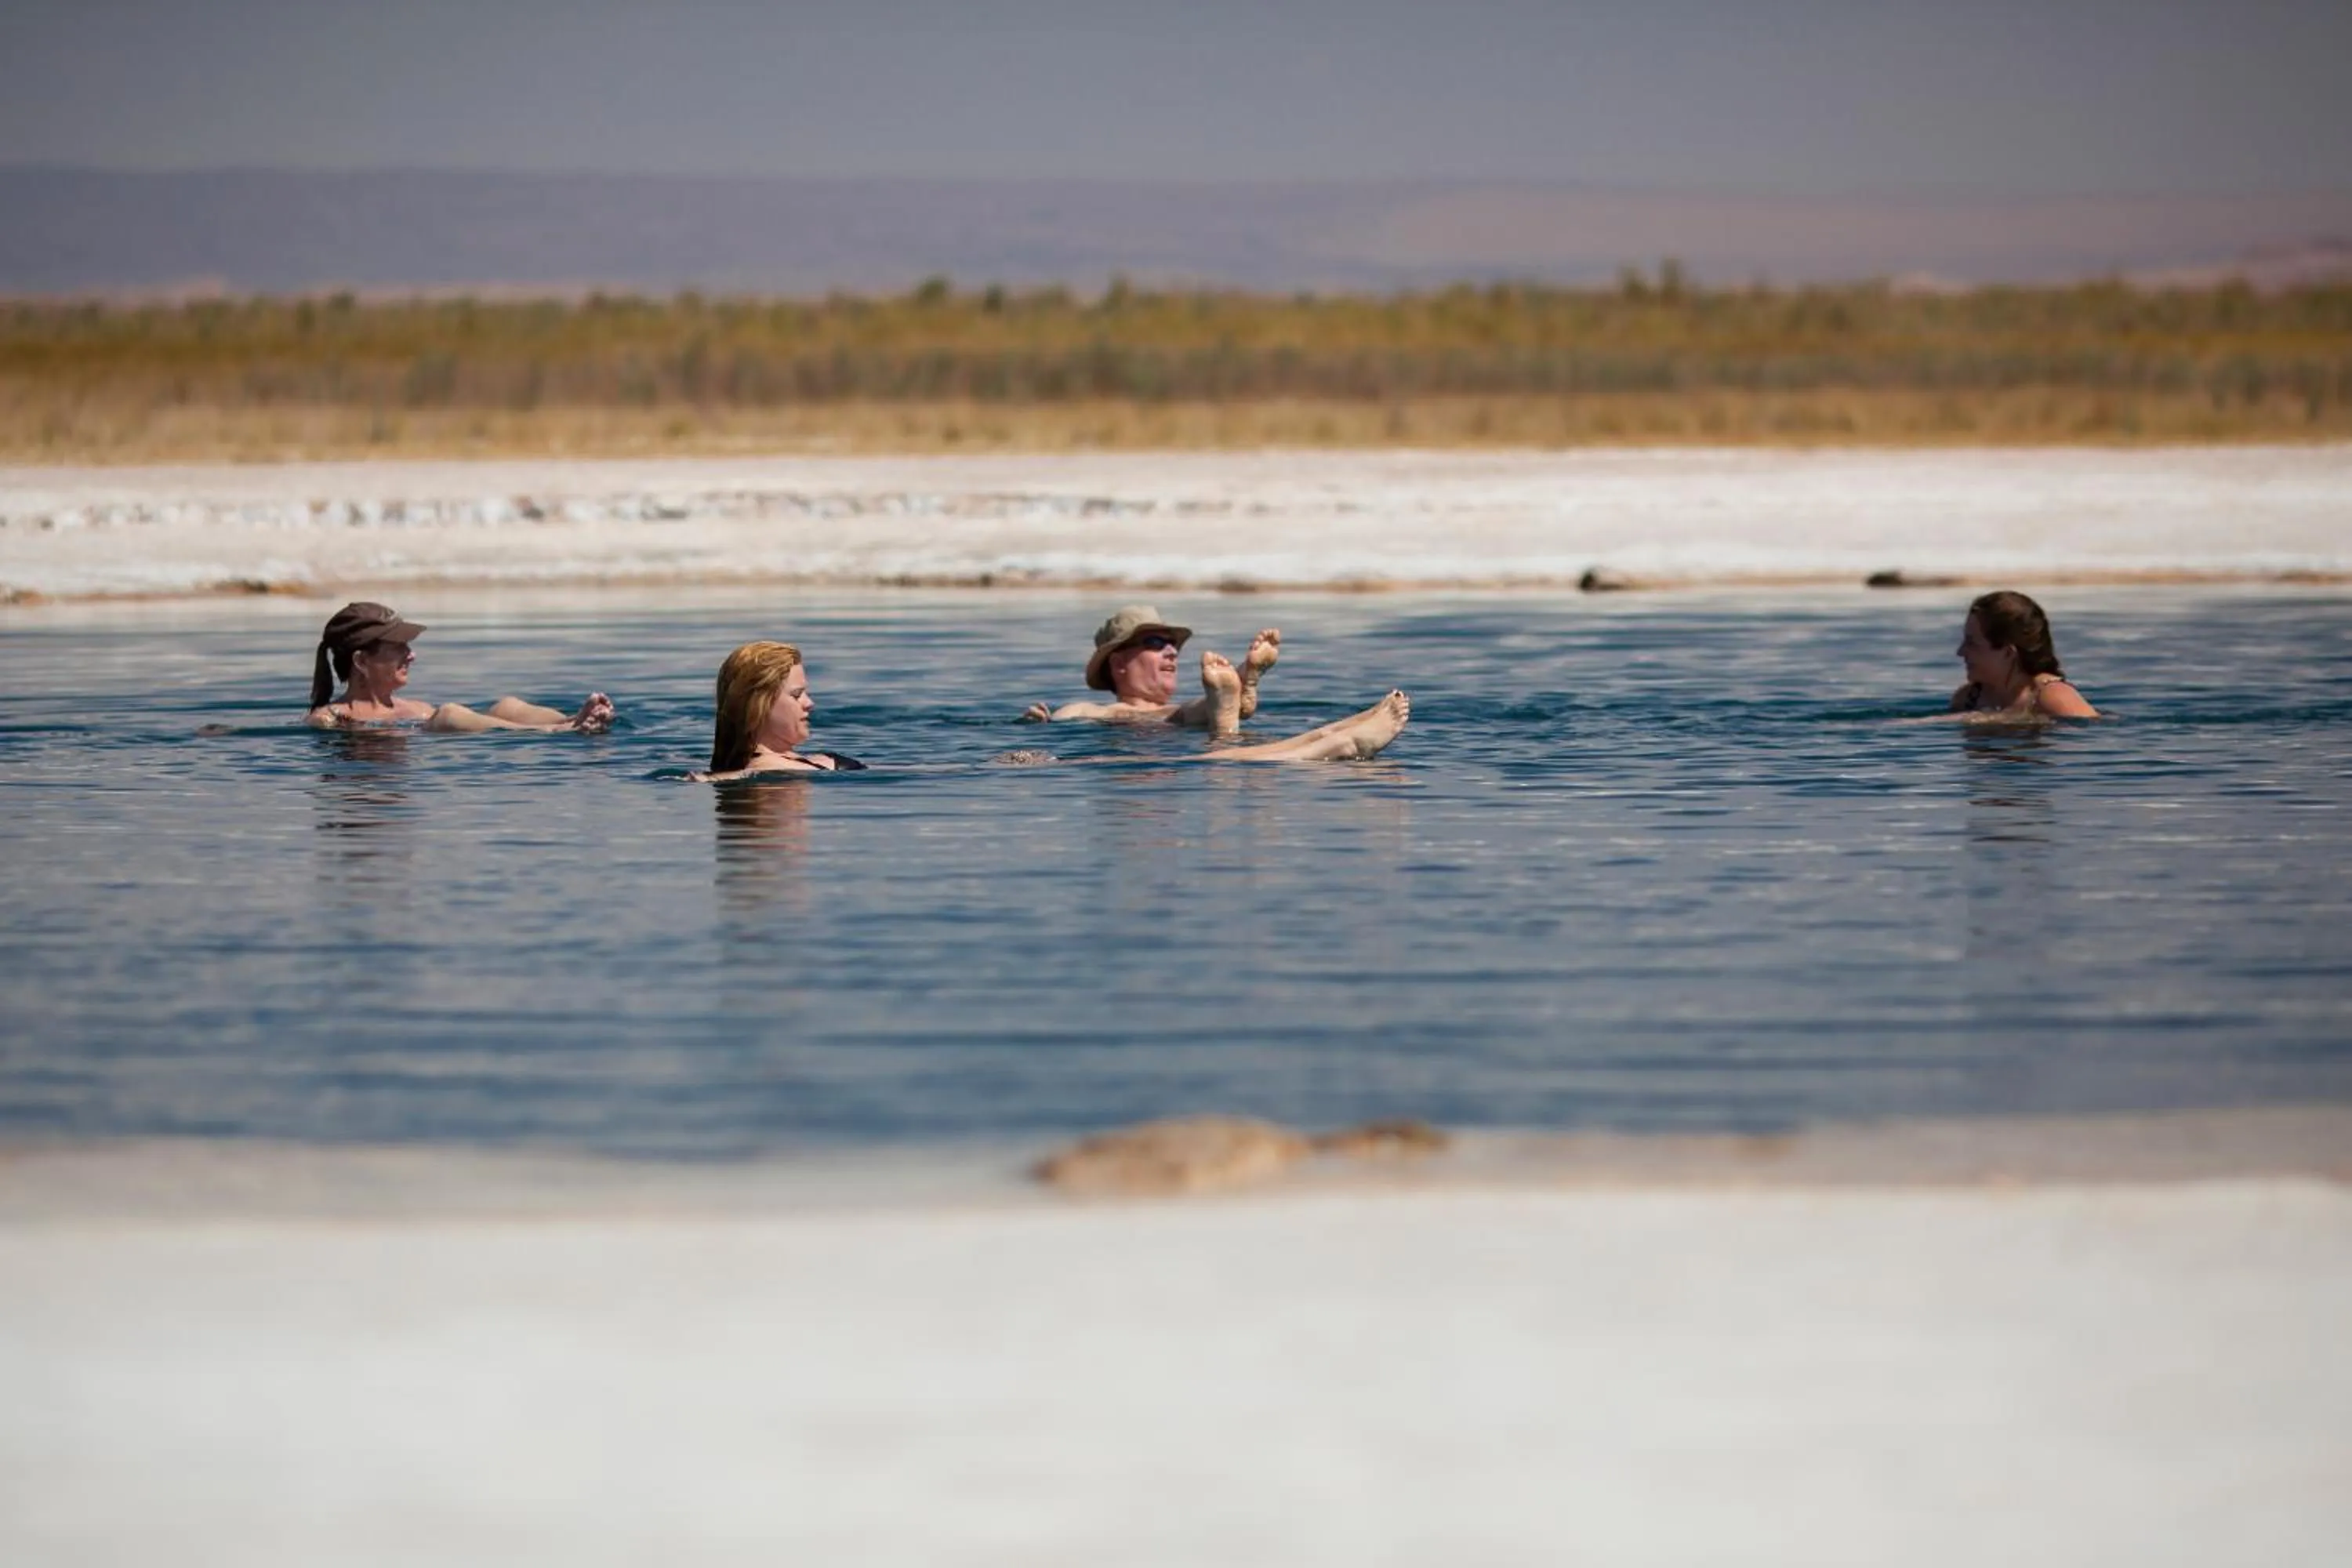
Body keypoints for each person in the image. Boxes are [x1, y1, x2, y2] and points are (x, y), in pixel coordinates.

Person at [694, 638, 1407, 782]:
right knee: (1200, 766)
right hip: (970, 777)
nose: (812, 701)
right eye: (797, 695)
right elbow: (716, 782)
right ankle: (1326, 745)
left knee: (1196, 762)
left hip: (983, 768)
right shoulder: (751, 779)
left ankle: (1325, 739)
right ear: (758, 705)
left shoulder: (788, 765)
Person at [304, 601, 615, 733]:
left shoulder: (416, 708)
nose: (411, 656)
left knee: (506, 704)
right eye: (398, 647)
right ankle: (557, 731)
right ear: (361, 661)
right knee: (449, 715)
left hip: (430, 725)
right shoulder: (331, 719)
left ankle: (575, 719)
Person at [1022, 605, 1282, 735]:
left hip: (1169, 732)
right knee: (1212, 720)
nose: (1172, 651)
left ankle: (1237, 689)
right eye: (1155, 643)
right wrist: (1039, 727)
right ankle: (1231, 702)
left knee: (1208, 709)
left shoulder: (1178, 712)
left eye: (1172, 644)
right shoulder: (1087, 710)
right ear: (1118, 663)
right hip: (1170, 743)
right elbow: (1059, 730)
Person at [1950, 590, 2099, 719]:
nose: (1961, 652)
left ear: (2008, 653)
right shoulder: (1967, 699)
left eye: (1972, 644)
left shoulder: (2053, 697)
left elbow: (2090, 742)